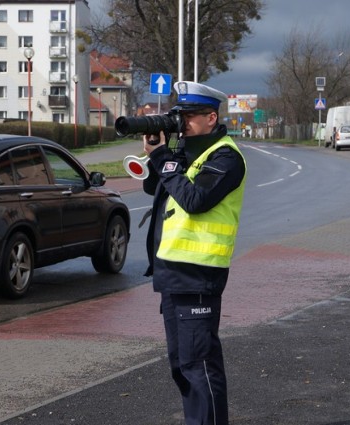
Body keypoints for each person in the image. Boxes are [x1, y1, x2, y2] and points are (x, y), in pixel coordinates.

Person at [141, 81, 247, 425]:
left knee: (199, 366)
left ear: (211, 117)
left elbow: (195, 201)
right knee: (183, 367)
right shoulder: (189, 153)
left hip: (199, 274)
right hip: (173, 273)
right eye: (179, 115)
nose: (182, 122)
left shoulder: (226, 157)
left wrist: (163, 158)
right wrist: (161, 152)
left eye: (189, 116)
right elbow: (153, 188)